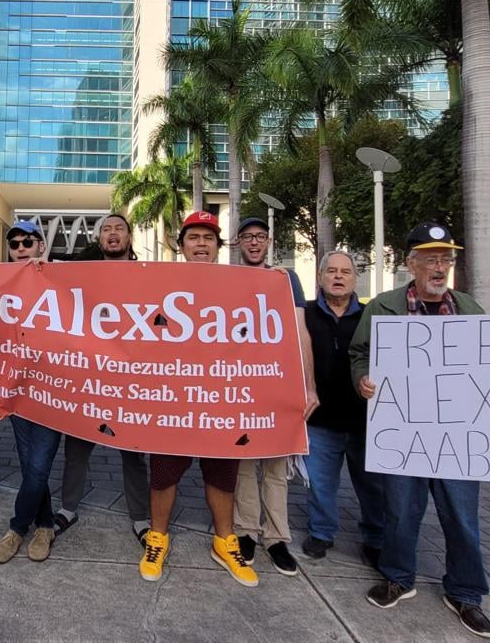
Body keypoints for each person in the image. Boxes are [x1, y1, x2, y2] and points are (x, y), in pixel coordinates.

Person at [350, 222, 490, 639]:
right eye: (430, 259)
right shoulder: (384, 307)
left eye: (445, 259)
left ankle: (465, 592)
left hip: (458, 437)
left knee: (462, 516)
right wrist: (363, 380)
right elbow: (359, 353)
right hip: (404, 433)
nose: (439, 266)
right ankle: (398, 577)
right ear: (411, 264)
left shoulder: (469, 308)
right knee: (401, 510)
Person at [139, 211, 256, 586]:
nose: (201, 243)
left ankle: (224, 542)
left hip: (221, 399)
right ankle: (157, 539)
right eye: (194, 237)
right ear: (182, 244)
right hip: (172, 399)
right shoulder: (159, 282)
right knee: (163, 475)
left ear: (218, 246)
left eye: (208, 237)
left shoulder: (242, 285)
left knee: (222, 475)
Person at [55, 214, 150, 546]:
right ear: (99, 240)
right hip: (89, 377)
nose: (113, 234)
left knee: (133, 450)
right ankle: (68, 508)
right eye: (106, 229)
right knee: (77, 446)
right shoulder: (82, 276)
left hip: (129, 379)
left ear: (128, 238)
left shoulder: (148, 276)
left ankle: (141, 517)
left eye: (119, 229)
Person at [231, 216, 318, 577]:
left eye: (260, 237)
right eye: (248, 237)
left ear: (268, 242)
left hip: (278, 382)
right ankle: (246, 531)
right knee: (244, 463)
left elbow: (301, 333)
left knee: (277, 467)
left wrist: (309, 385)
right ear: (238, 243)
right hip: (238, 382)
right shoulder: (228, 279)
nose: (254, 243)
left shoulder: (286, 279)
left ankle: (277, 537)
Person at [0, 222, 62, 564]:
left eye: (27, 241)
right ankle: (45, 525)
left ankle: (17, 529)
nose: (20, 246)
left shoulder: (62, 279)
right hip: (16, 390)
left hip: (53, 391)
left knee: (36, 465)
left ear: (41, 245)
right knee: (31, 465)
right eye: (14, 242)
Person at [303, 251, 383, 565]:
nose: (338, 277)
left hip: (364, 421)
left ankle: (375, 539)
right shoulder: (304, 314)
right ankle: (321, 533)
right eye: (331, 271)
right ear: (320, 277)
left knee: (372, 486)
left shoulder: (371, 317)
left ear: (354, 278)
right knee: (321, 484)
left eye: (345, 272)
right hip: (320, 420)